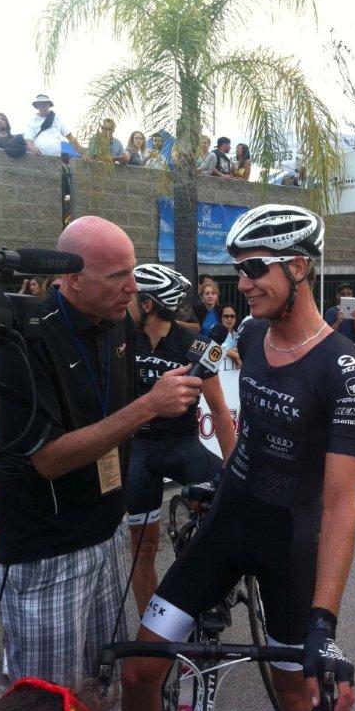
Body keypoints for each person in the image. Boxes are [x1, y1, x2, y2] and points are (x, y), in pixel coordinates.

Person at [122, 204, 355, 711]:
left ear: (298, 267)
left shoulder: (342, 368)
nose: (244, 282)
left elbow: (342, 506)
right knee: (138, 670)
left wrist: (324, 624)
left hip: (287, 544)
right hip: (227, 521)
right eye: (239, 268)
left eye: (255, 267)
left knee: (294, 698)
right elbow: (214, 394)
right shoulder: (252, 334)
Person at [0, 216, 204, 685]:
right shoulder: (25, 339)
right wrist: (150, 406)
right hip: (49, 553)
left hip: (107, 533)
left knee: (97, 685)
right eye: (116, 276)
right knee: (50, 694)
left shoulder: (117, 323)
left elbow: (115, 415)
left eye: (133, 271)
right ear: (71, 278)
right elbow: (47, 459)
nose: (132, 287)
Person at [126, 264, 236, 615]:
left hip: (183, 443)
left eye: (131, 297)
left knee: (226, 511)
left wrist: (233, 467)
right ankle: (150, 630)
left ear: (147, 304)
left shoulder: (194, 344)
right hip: (139, 448)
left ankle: (208, 595)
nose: (124, 302)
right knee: (143, 549)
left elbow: (219, 411)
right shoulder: (120, 340)